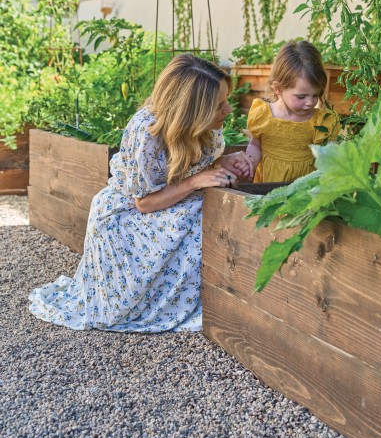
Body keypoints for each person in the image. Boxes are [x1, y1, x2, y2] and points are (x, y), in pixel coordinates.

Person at [29, 54, 252, 333]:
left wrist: (223, 163)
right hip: (127, 217)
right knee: (201, 219)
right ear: (192, 110)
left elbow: (190, 169)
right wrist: (196, 181)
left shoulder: (204, 128)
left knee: (213, 209)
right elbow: (144, 202)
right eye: (220, 104)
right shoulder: (147, 132)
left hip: (170, 200)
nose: (229, 109)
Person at [245, 40, 341, 183]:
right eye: (301, 96)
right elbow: (255, 145)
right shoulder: (263, 115)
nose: (310, 102)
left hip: (304, 191)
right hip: (267, 188)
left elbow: (330, 150)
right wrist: (250, 161)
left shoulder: (320, 121)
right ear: (278, 89)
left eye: (316, 95)